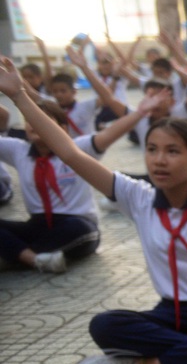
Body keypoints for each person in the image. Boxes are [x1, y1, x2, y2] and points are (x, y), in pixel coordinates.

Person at [0, 27, 187, 364]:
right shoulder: (137, 197)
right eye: (152, 150)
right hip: (169, 313)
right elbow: (69, 152)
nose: (159, 160)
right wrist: (19, 97)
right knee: (105, 325)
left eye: (173, 152)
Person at [0, 93, 165, 273]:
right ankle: (34, 259)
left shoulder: (77, 148)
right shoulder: (18, 150)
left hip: (76, 222)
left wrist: (140, 112)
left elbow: (108, 134)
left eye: (43, 119)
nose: (34, 124)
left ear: (62, 128)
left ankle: (16, 254)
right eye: (29, 120)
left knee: (78, 230)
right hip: (37, 225)